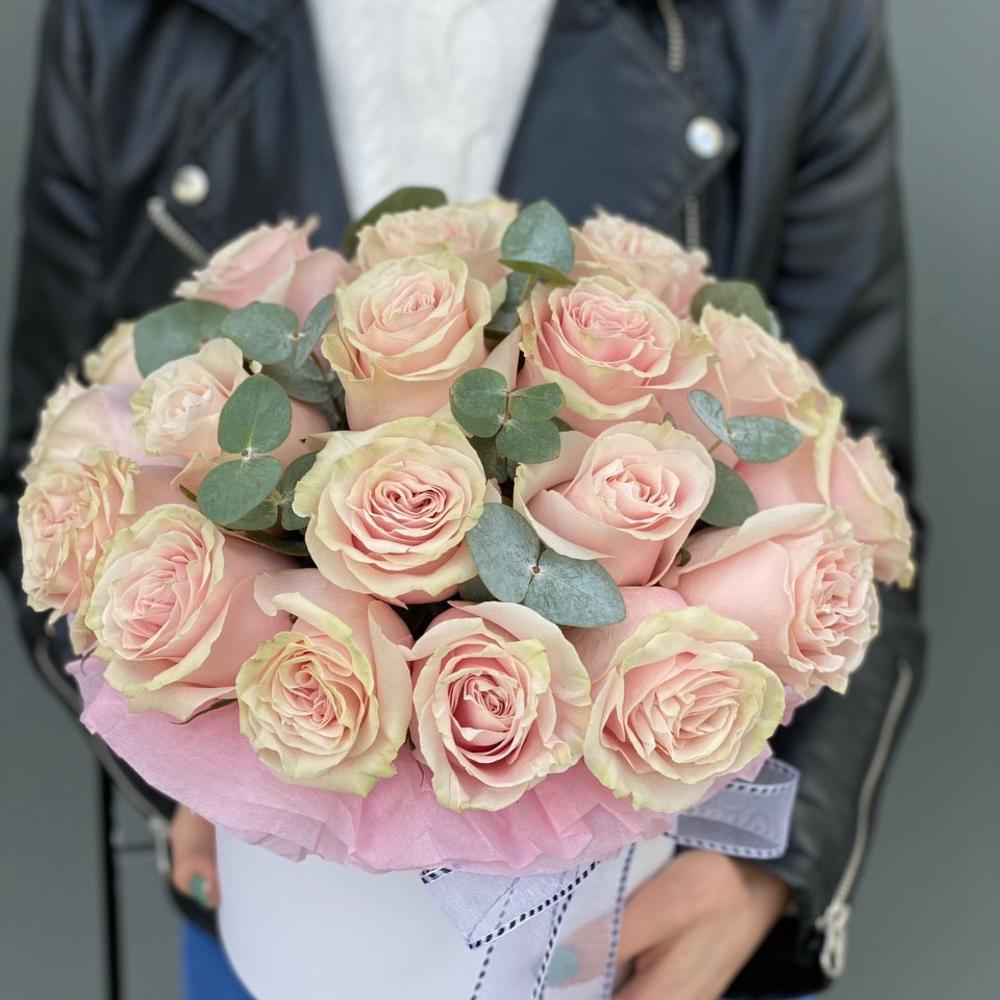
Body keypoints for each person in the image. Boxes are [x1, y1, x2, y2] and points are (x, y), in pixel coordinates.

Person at [1, 0, 925, 998]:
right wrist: (201, 781)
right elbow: (59, 470)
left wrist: (767, 866)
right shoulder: (121, 19)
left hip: (645, 921)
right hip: (284, 908)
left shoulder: (786, 19)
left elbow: (855, 504)